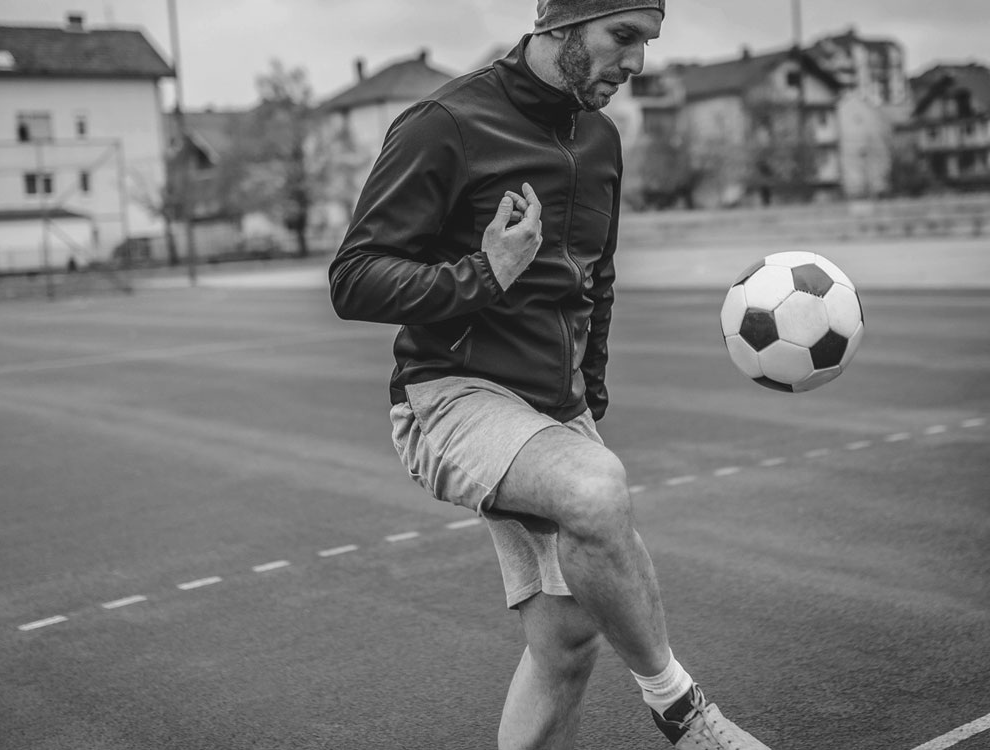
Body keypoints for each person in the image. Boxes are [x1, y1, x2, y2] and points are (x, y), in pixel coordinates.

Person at [329, 1, 773, 749]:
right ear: (560, 26)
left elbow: (597, 277)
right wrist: (484, 273)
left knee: (566, 645)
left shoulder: (600, 137)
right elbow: (354, 279)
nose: (637, 63)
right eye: (622, 37)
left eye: (647, 42)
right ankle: (682, 711)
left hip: (554, 410)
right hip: (452, 394)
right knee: (595, 490)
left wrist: (587, 390)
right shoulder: (444, 122)